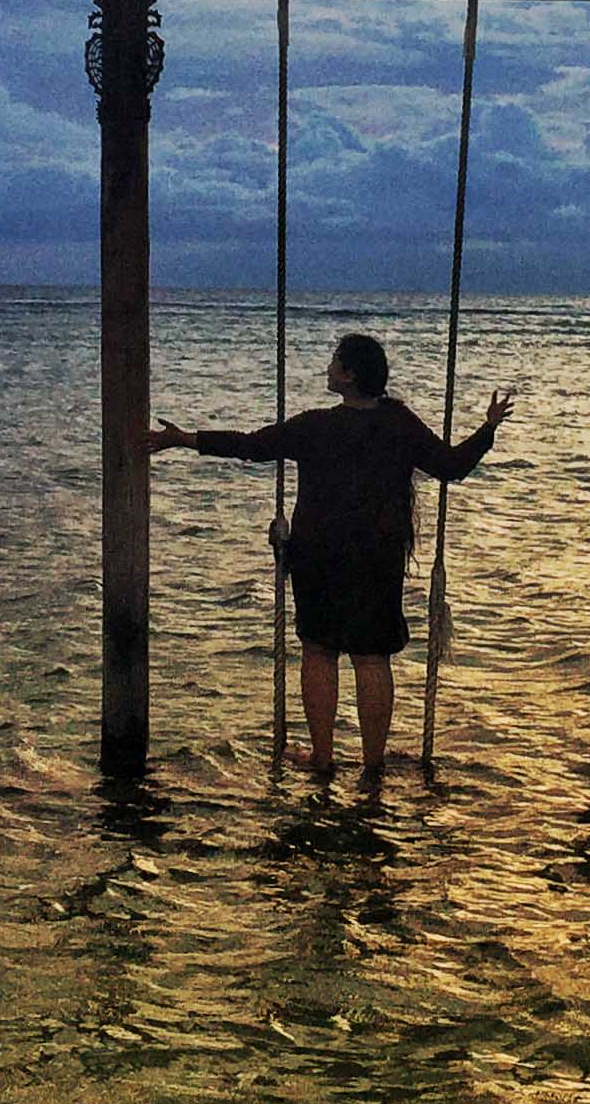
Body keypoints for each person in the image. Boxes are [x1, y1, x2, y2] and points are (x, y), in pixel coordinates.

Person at [147, 333, 514, 778]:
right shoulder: (398, 423)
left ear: (349, 375)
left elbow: (251, 447)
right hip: (378, 556)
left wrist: (185, 439)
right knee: (372, 656)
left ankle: (323, 758)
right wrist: (488, 429)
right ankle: (372, 765)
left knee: (320, 652)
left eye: (334, 363)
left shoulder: (315, 426)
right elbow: (452, 467)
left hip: (318, 556)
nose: (327, 369)